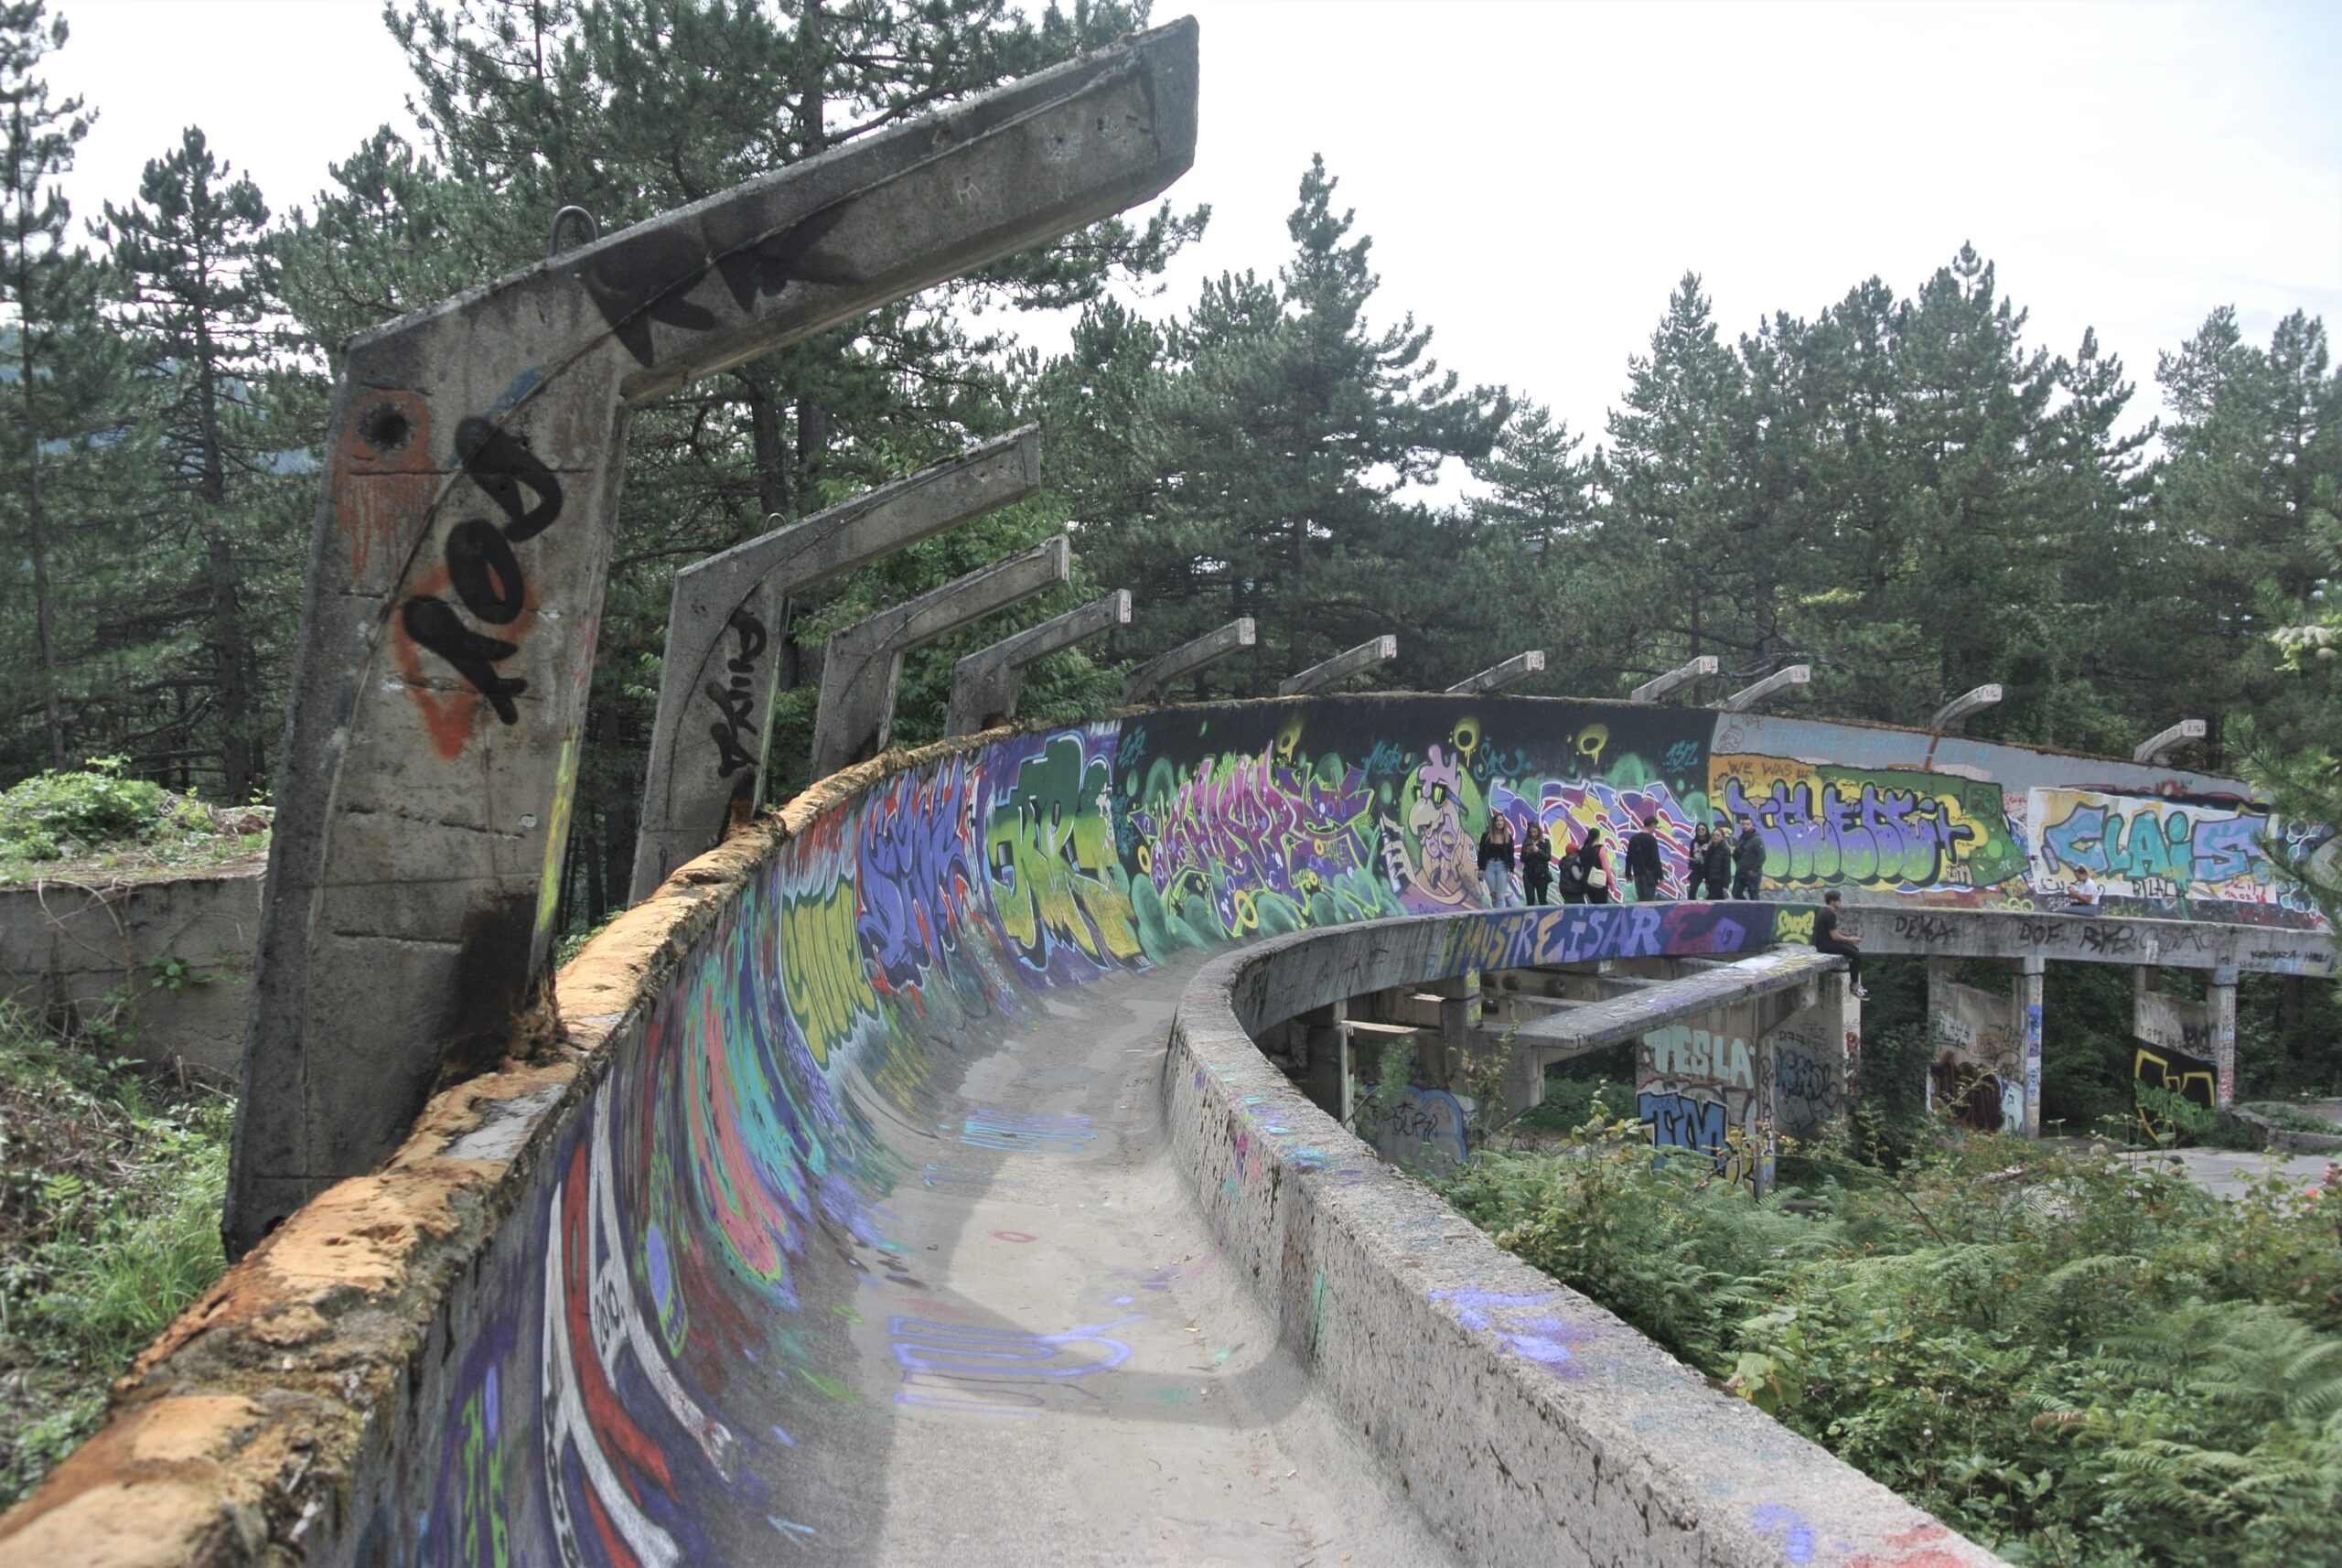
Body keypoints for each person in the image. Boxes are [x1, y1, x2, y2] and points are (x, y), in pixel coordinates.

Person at [1814, 890, 1868, 998]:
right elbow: (1835, 936)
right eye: (1839, 900)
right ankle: (1855, 986)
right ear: (1832, 901)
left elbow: (1834, 933)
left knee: (1854, 950)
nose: (1840, 902)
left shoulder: (1824, 911)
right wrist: (1850, 940)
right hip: (1826, 946)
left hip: (1824, 943)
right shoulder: (1830, 914)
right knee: (1857, 956)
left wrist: (1849, 939)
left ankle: (1855, 984)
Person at [1477, 811, 1519, 908]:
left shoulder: (1508, 837)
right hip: (1489, 866)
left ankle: (1502, 920)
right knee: (1494, 895)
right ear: (1494, 823)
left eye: (1501, 821)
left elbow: (1511, 854)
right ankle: (1496, 916)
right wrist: (1481, 868)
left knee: (1500, 896)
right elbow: (1481, 852)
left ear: (1504, 823)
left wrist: (1512, 871)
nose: (1499, 823)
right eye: (1497, 821)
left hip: (1502, 867)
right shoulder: (1486, 836)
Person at [1625, 813, 1663, 902]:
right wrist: (1660, 877)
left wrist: (1628, 873)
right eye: (1655, 827)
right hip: (1650, 876)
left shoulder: (1634, 838)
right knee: (1649, 901)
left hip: (1637, 874)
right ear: (1652, 824)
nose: (1655, 829)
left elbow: (1629, 857)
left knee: (1641, 900)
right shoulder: (1651, 839)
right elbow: (1656, 859)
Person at [1577, 824, 1614, 904]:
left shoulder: (1582, 848)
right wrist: (1611, 882)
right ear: (1598, 837)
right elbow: (1605, 867)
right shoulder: (1600, 849)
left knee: (1592, 906)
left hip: (1586, 881)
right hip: (1599, 881)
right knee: (1602, 906)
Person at [1520, 821, 1553, 906]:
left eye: (1535, 832)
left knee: (1542, 900)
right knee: (1530, 901)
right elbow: (1522, 859)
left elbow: (1548, 857)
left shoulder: (1545, 842)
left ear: (1539, 831)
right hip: (1529, 875)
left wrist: (1538, 851)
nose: (1533, 834)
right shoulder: (1526, 842)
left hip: (1542, 875)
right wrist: (1528, 852)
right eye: (1531, 832)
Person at [1731, 820, 1765, 901]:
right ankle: (1744, 909)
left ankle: (1755, 913)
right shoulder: (1741, 838)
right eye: (1743, 824)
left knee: (1754, 897)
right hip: (1740, 872)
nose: (1745, 826)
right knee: (1735, 895)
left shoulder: (1757, 839)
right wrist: (1738, 865)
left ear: (1752, 825)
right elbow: (1737, 854)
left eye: (1748, 824)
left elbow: (1762, 856)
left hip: (1752, 874)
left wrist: (1754, 870)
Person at [1703, 818, 1735, 899]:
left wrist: (1725, 885)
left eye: (1718, 835)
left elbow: (1726, 868)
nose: (1715, 837)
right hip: (1711, 880)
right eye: (1713, 835)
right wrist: (1707, 881)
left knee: (1712, 901)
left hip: (1719, 881)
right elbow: (1706, 866)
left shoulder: (1725, 850)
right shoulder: (1710, 849)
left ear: (1722, 837)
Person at [1685, 823, 1714, 898]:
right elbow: (1691, 854)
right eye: (1698, 829)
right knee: (1692, 891)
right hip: (1697, 868)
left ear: (1706, 830)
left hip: (1708, 869)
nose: (1701, 830)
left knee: (1712, 891)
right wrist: (1692, 861)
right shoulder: (1694, 841)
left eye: (1703, 829)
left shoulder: (1711, 841)